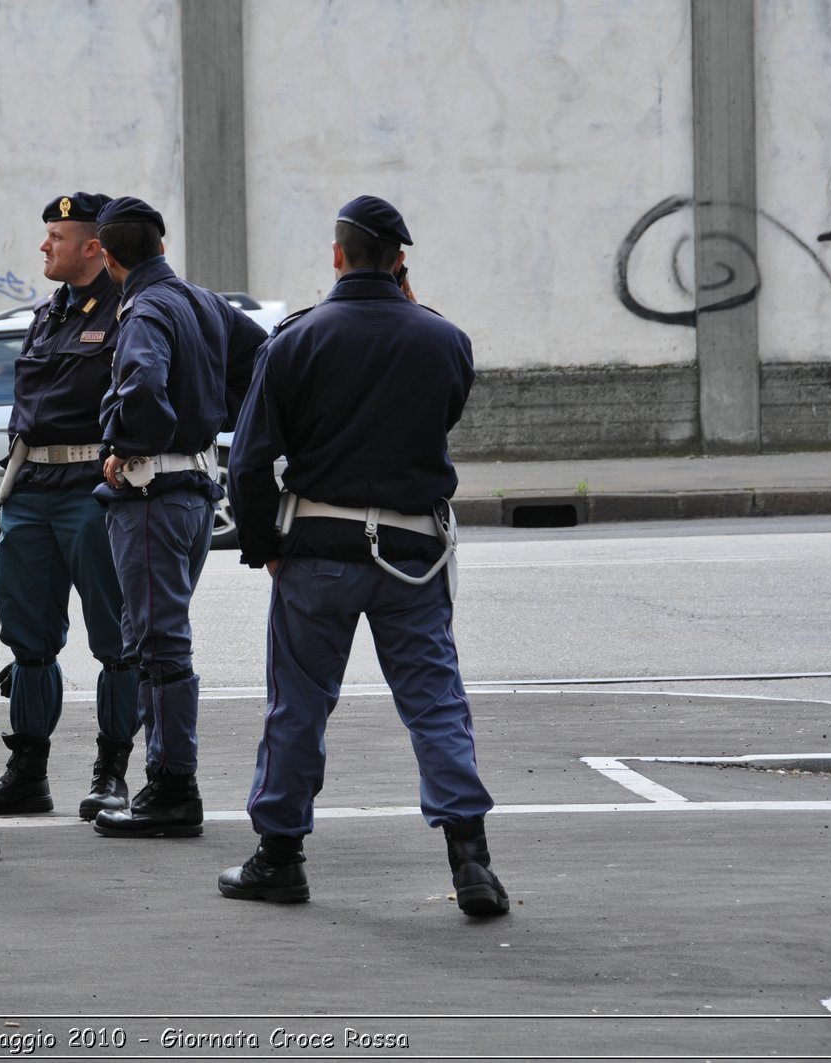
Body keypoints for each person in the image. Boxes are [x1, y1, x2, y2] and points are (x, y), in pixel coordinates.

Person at [218, 195, 509, 917]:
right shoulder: (444, 340)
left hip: (317, 548)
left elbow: (249, 464)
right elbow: (439, 417)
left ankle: (280, 857)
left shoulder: (293, 340)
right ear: (400, 262)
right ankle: (470, 860)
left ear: (338, 255)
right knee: (435, 701)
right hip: (413, 553)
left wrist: (266, 549)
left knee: (299, 708)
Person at [88, 196, 266, 839]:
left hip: (152, 494)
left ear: (107, 256)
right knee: (159, 637)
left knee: (158, 643)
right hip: (193, 489)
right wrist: (230, 420)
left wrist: (128, 444)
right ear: (161, 243)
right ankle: (165, 782)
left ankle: (171, 789)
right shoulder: (203, 300)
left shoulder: (144, 308)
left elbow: (140, 385)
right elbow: (261, 358)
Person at [0, 193, 139, 821]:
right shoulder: (46, 315)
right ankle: (27, 774)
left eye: (56, 236)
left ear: (94, 246)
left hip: (92, 489)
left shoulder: (128, 312)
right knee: (28, 639)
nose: (44, 246)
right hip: (32, 488)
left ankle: (111, 773)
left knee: (117, 639)